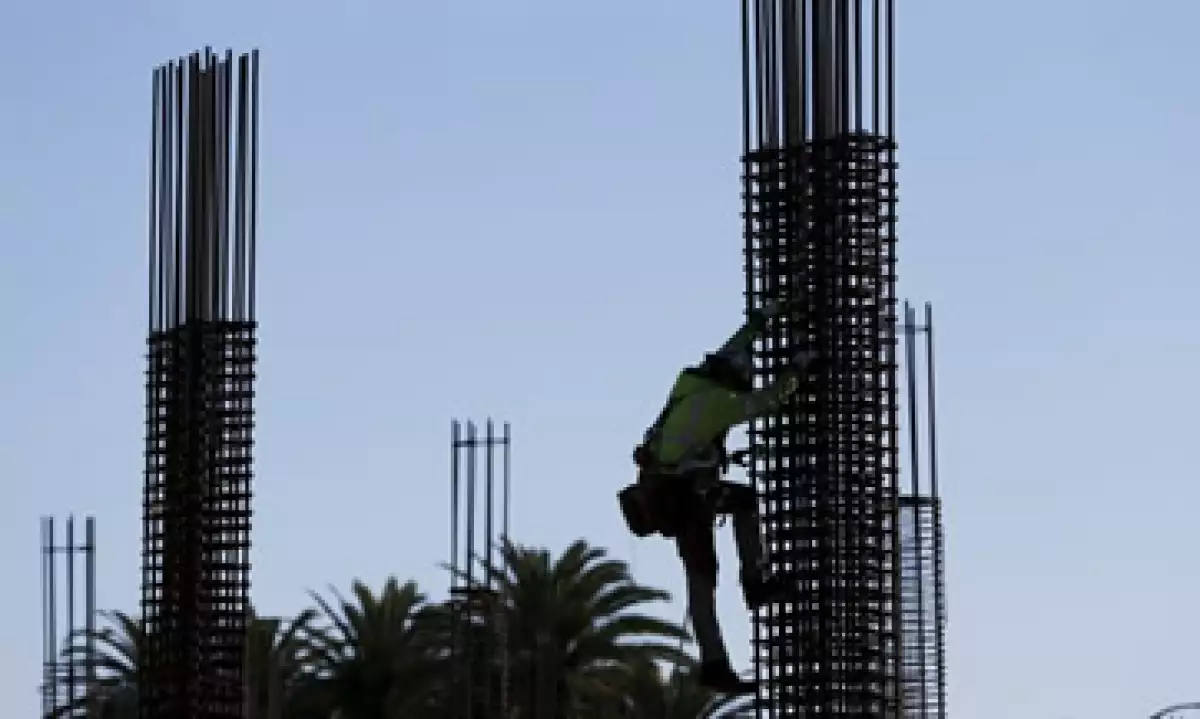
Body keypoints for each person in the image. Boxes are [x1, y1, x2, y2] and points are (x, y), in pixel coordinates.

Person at [618, 299, 819, 693]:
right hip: (683, 498)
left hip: (669, 488)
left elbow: (732, 348)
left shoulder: (692, 383)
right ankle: (751, 592)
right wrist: (798, 368)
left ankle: (722, 647)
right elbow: (767, 402)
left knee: (707, 565)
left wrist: (759, 324)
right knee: (707, 569)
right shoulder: (717, 404)